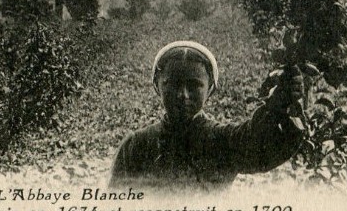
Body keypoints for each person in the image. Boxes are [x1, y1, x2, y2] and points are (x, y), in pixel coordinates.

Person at [109, 40, 305, 191]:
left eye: (194, 85)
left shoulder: (222, 141)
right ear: (157, 86)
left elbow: (262, 145)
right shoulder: (136, 147)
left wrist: (281, 105)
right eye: (173, 84)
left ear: (210, 88)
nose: (182, 95)